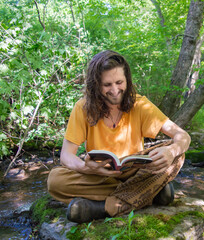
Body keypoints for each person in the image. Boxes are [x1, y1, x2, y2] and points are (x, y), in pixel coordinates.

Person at [47, 50, 191, 224]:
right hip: (100, 175)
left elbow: (182, 136)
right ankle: (150, 192)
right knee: (55, 180)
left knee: (178, 155)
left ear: (127, 81)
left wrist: (171, 151)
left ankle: (105, 207)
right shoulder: (83, 108)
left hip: (136, 173)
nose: (115, 90)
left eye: (119, 82)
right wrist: (88, 168)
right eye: (107, 85)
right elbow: (66, 155)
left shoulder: (140, 105)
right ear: (96, 85)